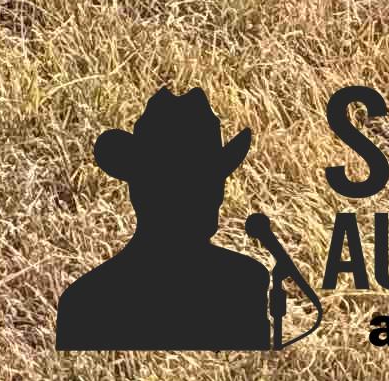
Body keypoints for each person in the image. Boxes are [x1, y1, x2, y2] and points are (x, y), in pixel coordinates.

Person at [55, 89, 273, 351]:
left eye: (212, 183)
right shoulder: (243, 283)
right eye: (198, 185)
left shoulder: (85, 301)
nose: (214, 196)